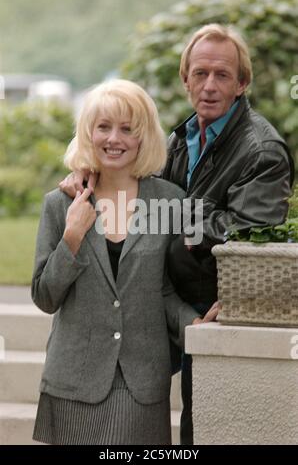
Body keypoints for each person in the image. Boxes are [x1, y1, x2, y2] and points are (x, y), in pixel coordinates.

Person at [59, 24, 294, 445]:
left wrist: (176, 214)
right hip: (168, 307)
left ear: (242, 84)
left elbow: (250, 233)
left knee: (200, 431)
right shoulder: (180, 138)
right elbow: (135, 185)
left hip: (215, 314)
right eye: (199, 73)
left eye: (222, 75)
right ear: (185, 78)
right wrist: (87, 171)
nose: (208, 86)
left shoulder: (262, 150)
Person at [31, 78, 218, 445]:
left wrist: (195, 324)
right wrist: (72, 237)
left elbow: (162, 289)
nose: (113, 139)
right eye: (103, 127)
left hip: (142, 383)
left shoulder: (172, 202)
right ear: (88, 132)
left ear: (143, 137)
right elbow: (44, 297)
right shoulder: (61, 203)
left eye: (127, 129)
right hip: (73, 383)